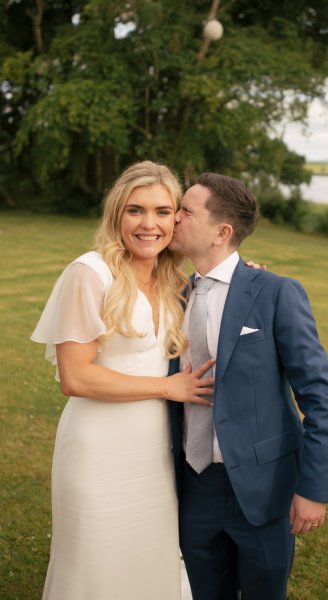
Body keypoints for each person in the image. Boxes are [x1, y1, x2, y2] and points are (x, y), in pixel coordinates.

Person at [31, 161, 215, 600]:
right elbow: (75, 377)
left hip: (156, 451)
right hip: (98, 450)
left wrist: (250, 276)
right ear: (117, 214)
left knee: (150, 557)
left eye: (162, 211)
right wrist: (166, 388)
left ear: (176, 218)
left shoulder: (173, 279)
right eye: (136, 210)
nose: (149, 224)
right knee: (96, 562)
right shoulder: (90, 273)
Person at [168, 173, 328, 600]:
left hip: (264, 487)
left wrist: (314, 488)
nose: (173, 218)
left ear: (222, 232)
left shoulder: (275, 293)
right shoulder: (172, 296)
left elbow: (319, 397)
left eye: (185, 211)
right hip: (194, 483)